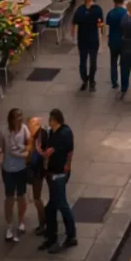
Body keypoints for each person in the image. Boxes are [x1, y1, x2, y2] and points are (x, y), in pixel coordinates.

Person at [39, 107, 76, 253]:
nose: (49, 121)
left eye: (50, 119)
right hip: (52, 173)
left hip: (59, 174)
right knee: (51, 207)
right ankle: (51, 236)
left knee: (62, 205)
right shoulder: (52, 133)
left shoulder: (65, 133)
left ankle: (71, 236)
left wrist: (67, 165)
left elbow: (69, 151)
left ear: (55, 119)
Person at [0, 107, 30, 241]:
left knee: (21, 195)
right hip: (9, 169)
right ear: (11, 119)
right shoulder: (4, 132)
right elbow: (0, 147)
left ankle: (21, 220)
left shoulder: (24, 129)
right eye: (17, 117)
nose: (20, 119)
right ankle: (9, 224)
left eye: (21, 116)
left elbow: (29, 144)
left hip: (21, 168)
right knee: (9, 197)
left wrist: (27, 153)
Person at [72, 0, 104, 92]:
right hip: (93, 40)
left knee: (82, 62)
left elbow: (74, 23)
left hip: (82, 40)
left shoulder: (79, 10)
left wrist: (73, 35)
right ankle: (92, 81)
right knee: (93, 62)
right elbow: (100, 23)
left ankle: (85, 79)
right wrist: (102, 31)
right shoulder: (97, 9)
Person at [26, 115, 48, 235]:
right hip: (39, 171)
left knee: (37, 198)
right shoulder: (39, 135)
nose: (29, 128)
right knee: (36, 198)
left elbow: (33, 157)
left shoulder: (38, 139)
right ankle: (43, 223)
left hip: (38, 172)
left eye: (32, 125)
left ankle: (42, 224)